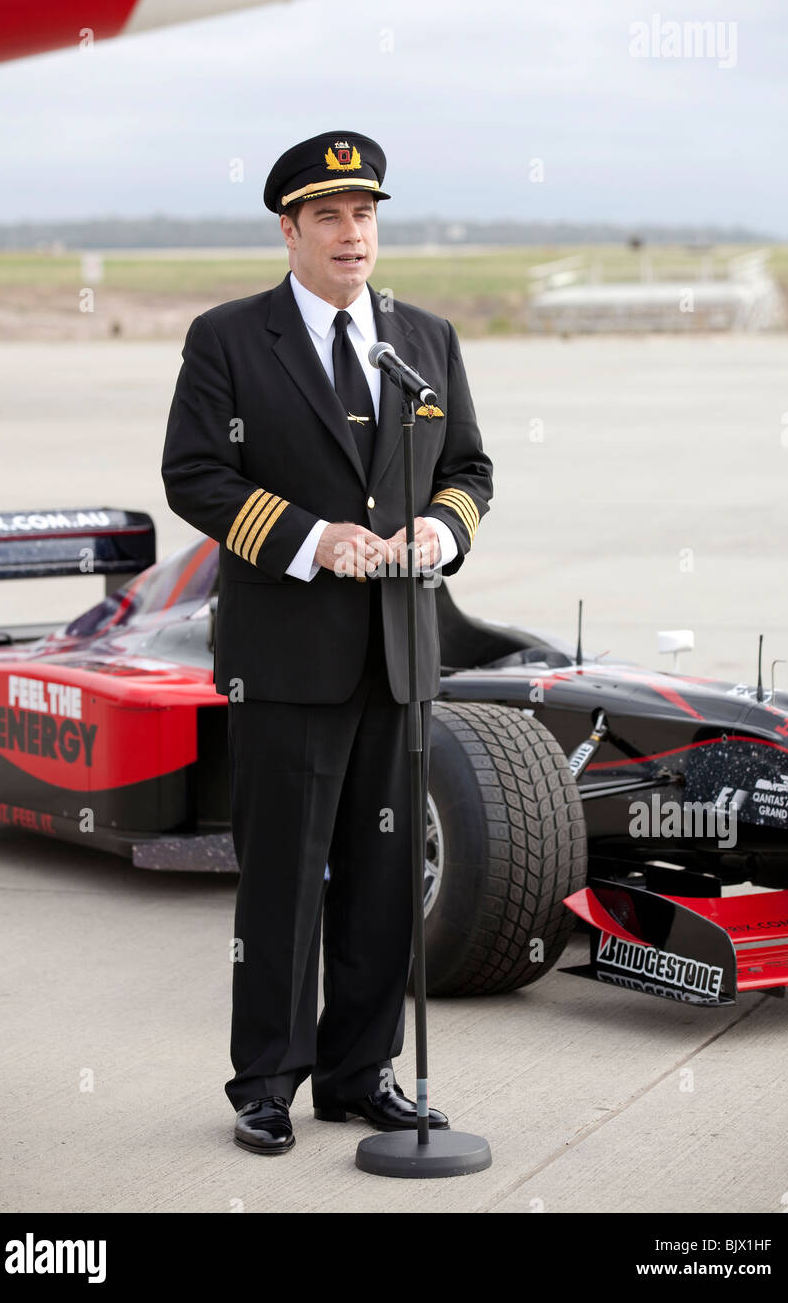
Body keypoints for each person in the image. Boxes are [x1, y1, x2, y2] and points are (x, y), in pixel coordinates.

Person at [161, 130, 493, 1154]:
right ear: (290, 231)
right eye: (331, 217)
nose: (355, 235)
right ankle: (264, 1081)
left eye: (367, 215)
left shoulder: (423, 338)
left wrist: (436, 530)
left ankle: (360, 1075)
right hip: (288, 656)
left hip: (396, 654)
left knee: (382, 881)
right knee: (282, 881)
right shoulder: (227, 337)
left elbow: (469, 468)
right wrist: (314, 539)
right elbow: (194, 477)